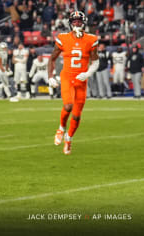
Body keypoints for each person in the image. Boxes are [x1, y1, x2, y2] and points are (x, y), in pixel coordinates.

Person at [48, 11, 99, 155]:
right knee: (68, 105)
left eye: (79, 21)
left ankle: (68, 139)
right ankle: (61, 128)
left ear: (84, 23)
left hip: (81, 80)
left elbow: (95, 61)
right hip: (67, 77)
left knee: (76, 115)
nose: (77, 24)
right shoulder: (63, 38)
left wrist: (88, 73)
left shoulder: (91, 39)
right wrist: (50, 76)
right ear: (70, 23)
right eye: (74, 21)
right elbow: (52, 58)